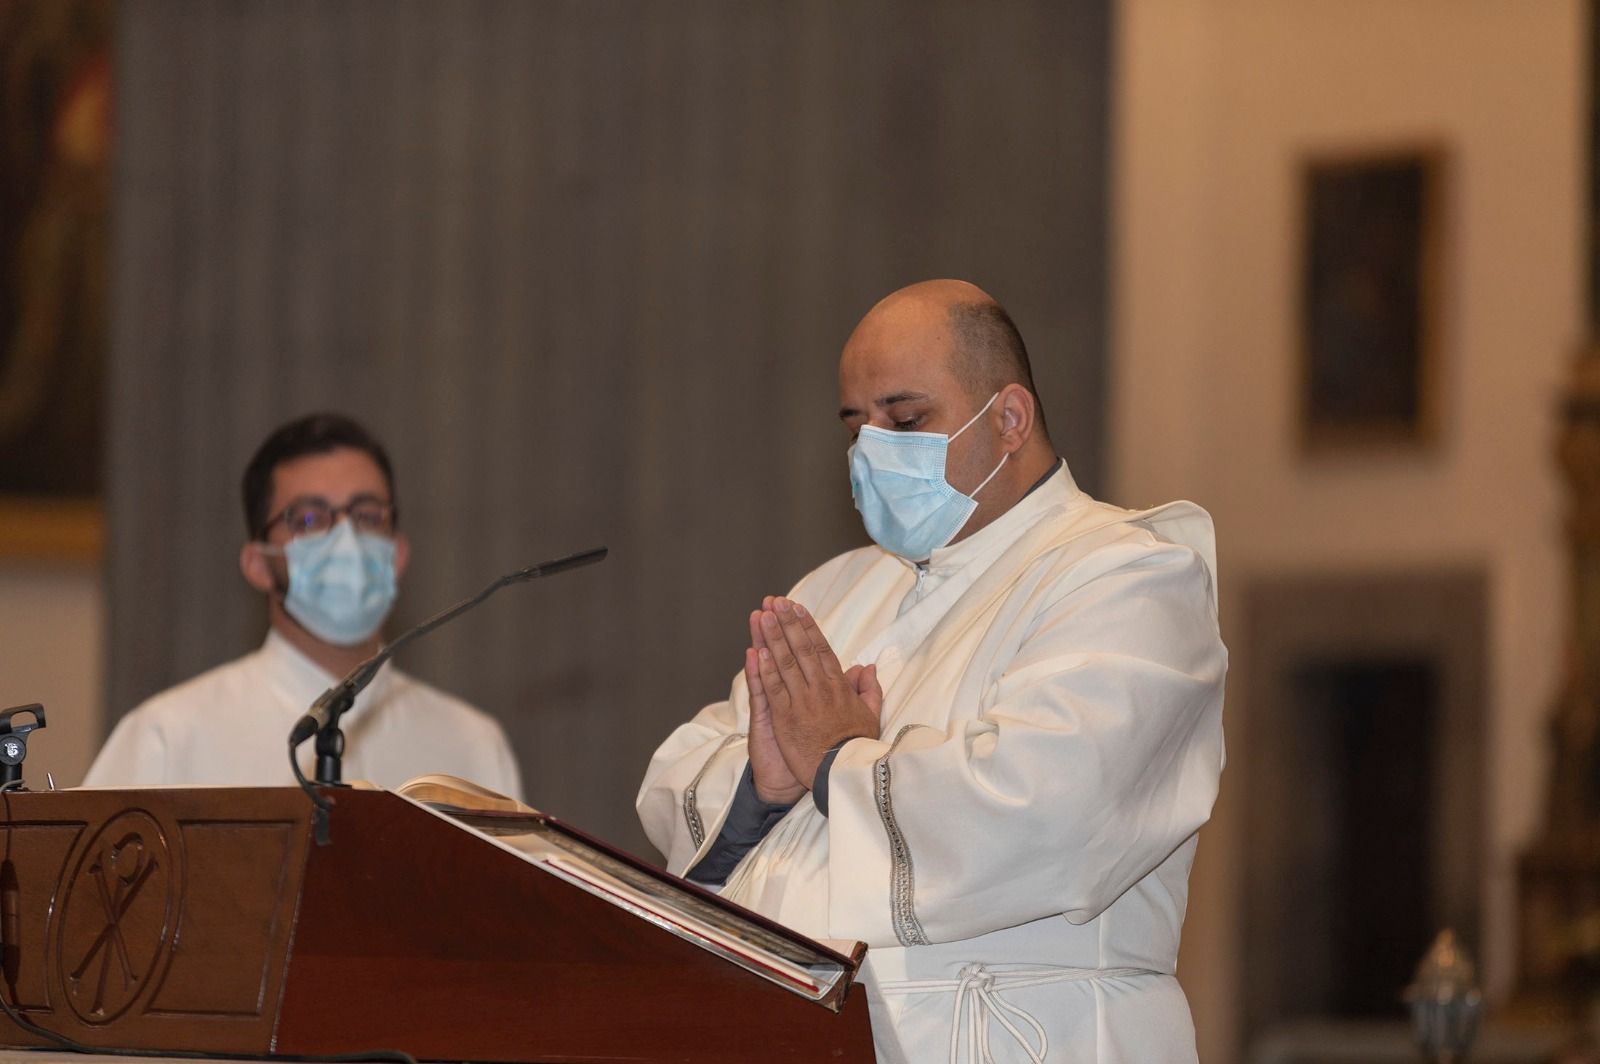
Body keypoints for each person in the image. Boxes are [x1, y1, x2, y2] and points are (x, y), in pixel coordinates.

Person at [637, 280, 1225, 1063]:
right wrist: (762, 787)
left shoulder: (1128, 577)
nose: (873, 449)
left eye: (906, 419)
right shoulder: (836, 590)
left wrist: (839, 764)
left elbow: (1048, 808)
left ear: (1010, 418)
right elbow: (678, 773)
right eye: (857, 426)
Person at [84, 413, 523, 797]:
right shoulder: (170, 738)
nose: (346, 541)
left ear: (398, 553)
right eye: (310, 520)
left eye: (368, 515)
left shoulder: (473, 747)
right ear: (258, 564)